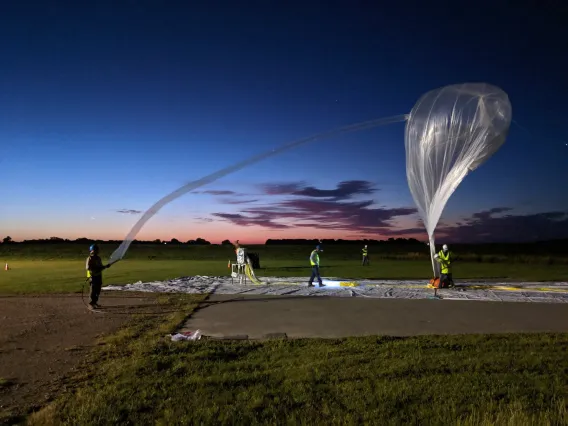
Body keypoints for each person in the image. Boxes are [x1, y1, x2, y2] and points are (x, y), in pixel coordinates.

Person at [86, 244, 111, 309]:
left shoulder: (98, 258)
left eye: (97, 250)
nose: (97, 251)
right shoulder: (89, 258)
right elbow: (88, 268)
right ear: (91, 251)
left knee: (98, 290)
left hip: (98, 276)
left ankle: (95, 302)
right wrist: (89, 276)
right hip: (93, 277)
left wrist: (105, 266)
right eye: (95, 250)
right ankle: (90, 304)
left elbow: (100, 267)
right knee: (93, 290)